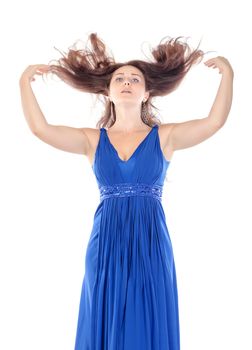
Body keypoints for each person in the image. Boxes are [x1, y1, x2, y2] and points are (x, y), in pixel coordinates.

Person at [19, 33, 234, 350]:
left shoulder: (166, 137)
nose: (127, 82)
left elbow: (214, 122)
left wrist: (228, 73)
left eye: (135, 79)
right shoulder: (92, 140)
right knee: (105, 315)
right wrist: (23, 81)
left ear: (147, 94)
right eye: (119, 78)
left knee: (147, 316)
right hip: (105, 242)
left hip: (150, 242)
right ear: (107, 92)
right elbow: (41, 129)